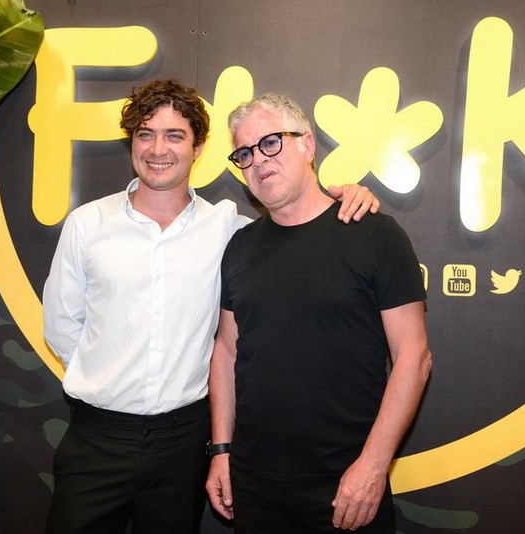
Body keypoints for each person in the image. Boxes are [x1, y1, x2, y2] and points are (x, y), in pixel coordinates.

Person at [42, 79, 380, 534]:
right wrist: (108, 381)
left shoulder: (228, 230)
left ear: (198, 148)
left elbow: (295, 220)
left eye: (174, 135)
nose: (158, 149)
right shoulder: (88, 224)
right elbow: (62, 326)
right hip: (97, 440)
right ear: (132, 143)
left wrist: (351, 194)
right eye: (145, 134)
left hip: (183, 445)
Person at [205, 93, 432, 533]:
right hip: (253, 483)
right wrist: (221, 450)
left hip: (346, 484)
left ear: (307, 145)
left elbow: (414, 356)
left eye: (271, 142)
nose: (258, 160)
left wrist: (373, 466)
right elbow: (227, 352)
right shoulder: (240, 247)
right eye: (244, 153)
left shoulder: (374, 234)